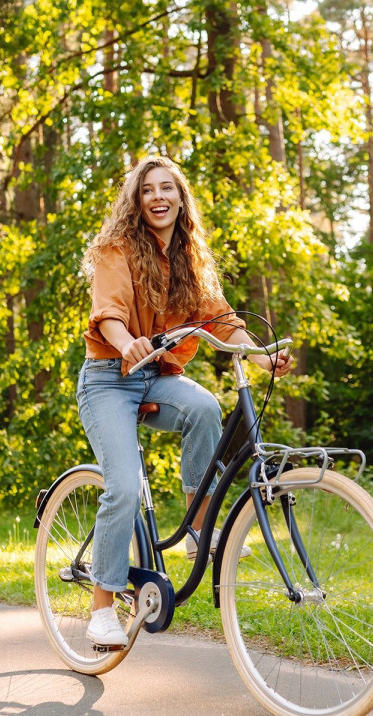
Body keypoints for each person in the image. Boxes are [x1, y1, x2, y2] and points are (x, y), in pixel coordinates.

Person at [77, 156, 293, 648]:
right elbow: (107, 312)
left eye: (166, 189)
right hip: (109, 379)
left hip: (155, 375)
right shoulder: (116, 249)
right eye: (147, 190)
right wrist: (126, 339)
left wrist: (263, 358)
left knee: (203, 408)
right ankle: (103, 608)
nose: (157, 197)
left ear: (180, 198)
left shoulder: (190, 259)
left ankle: (199, 528)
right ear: (137, 200)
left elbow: (221, 319)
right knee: (124, 487)